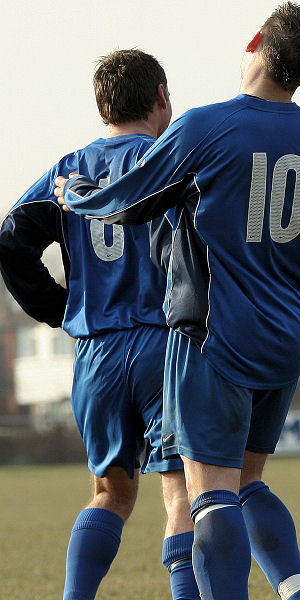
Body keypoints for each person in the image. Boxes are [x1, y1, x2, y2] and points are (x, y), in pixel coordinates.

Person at [55, 4, 300, 599]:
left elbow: (127, 203)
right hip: (286, 336)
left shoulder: (207, 125)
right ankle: (297, 593)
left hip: (215, 338)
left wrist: (73, 192)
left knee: (210, 493)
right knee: (250, 483)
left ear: (255, 41)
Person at [0, 50, 199, 600]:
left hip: (96, 353)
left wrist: (58, 307)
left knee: (110, 493)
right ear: (161, 96)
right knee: (182, 490)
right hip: (166, 345)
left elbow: (11, 240)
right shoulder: (171, 160)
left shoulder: (68, 169)